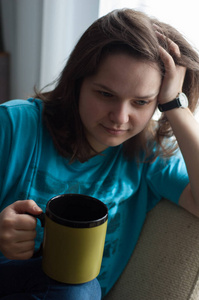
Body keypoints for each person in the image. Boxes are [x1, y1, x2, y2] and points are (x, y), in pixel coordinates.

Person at [0, 7, 199, 300]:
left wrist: (175, 106)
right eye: (106, 94)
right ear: (77, 83)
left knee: (77, 288)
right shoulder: (15, 126)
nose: (120, 117)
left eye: (141, 102)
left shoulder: (148, 156)